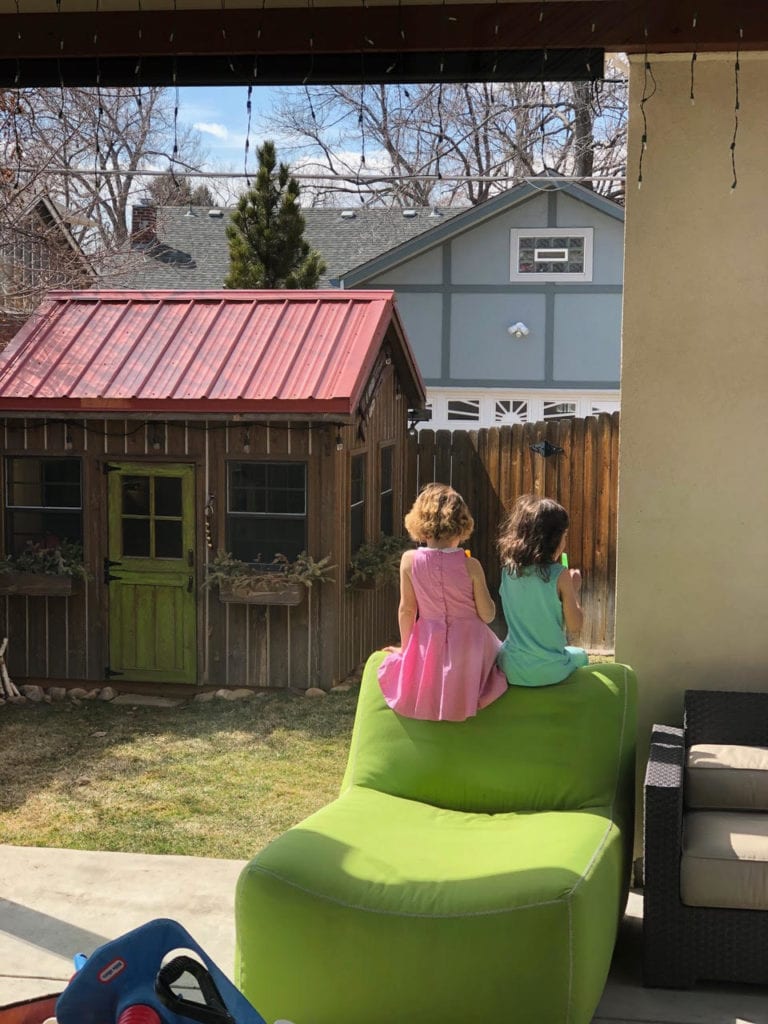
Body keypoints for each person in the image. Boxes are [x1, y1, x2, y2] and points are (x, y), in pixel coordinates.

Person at [377, 483, 508, 722]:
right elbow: (488, 615)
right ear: (461, 525)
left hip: (429, 646)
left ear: (419, 523)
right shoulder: (471, 565)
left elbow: (407, 610)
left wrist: (407, 651)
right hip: (471, 647)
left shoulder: (409, 560)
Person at [496, 494, 589, 687]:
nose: (564, 542)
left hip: (511, 667)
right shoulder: (560, 575)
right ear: (553, 539)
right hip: (550, 669)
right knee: (581, 655)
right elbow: (575, 626)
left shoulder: (508, 571)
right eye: (564, 536)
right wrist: (573, 591)